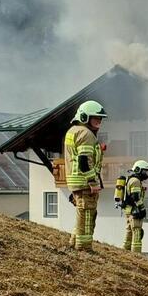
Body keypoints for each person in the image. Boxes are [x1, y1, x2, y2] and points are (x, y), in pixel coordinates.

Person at [63, 100, 107, 252]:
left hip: (77, 182)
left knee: (81, 215)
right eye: (96, 118)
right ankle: (83, 248)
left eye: (100, 119)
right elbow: (84, 160)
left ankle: (74, 242)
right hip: (85, 182)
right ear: (84, 117)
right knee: (88, 217)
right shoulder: (86, 133)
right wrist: (93, 182)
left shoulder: (73, 131)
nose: (99, 122)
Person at [122, 160, 148, 253]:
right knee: (137, 232)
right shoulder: (135, 181)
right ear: (138, 170)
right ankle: (136, 254)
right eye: (145, 171)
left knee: (129, 232)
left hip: (129, 210)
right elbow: (136, 197)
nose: (146, 174)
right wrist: (142, 209)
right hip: (135, 211)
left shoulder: (131, 179)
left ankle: (125, 251)